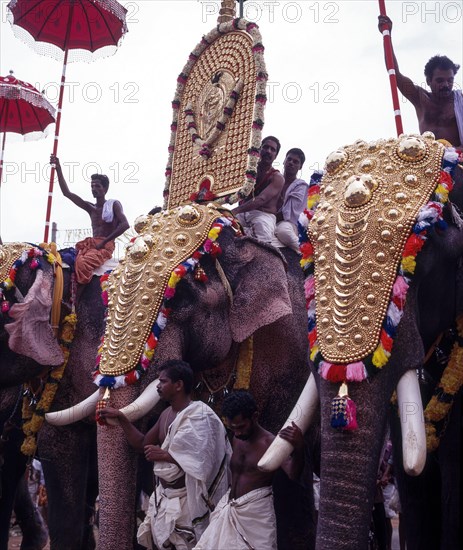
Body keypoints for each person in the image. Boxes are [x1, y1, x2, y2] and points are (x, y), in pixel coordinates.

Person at [97, 360, 231, 550]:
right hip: (163, 498)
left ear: (178, 385)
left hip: (188, 501)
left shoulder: (200, 415)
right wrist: (121, 418)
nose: (158, 386)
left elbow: (202, 461)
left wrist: (166, 455)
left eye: (163, 381)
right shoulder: (166, 414)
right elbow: (142, 444)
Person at [193, 390, 304, 550]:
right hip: (228, 509)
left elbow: (293, 474)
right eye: (232, 428)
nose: (237, 432)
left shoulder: (271, 444)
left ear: (254, 416)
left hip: (255, 517)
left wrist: (299, 447)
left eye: (241, 427)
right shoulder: (237, 438)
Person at [378, 15, 462, 147]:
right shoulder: (420, 98)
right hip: (427, 162)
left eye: (450, 80)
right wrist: (387, 36)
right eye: (440, 80)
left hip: (459, 161)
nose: (446, 85)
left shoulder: (460, 101)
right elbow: (394, 74)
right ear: (428, 80)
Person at [50, 154, 129, 284]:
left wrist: (104, 242)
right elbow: (67, 193)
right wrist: (58, 169)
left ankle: (80, 294)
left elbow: (125, 225)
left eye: (97, 186)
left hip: (105, 246)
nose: (94, 189)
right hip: (91, 245)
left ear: (105, 188)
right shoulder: (90, 208)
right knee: (67, 260)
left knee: (82, 263)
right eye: (92, 186)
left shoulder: (113, 204)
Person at [232, 136, 285, 243]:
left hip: (263, 215)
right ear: (259, 149)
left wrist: (234, 211)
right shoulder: (247, 171)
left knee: (263, 244)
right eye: (266, 147)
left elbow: (261, 199)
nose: (268, 151)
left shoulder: (277, 177)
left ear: (275, 156)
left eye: (272, 149)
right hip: (242, 213)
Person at [274, 148, 308, 252]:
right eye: (289, 159)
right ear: (284, 161)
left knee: (283, 231)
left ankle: (304, 253)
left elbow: (287, 214)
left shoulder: (301, 186)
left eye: (295, 162)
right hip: (267, 216)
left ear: (300, 166)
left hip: (288, 223)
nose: (291, 163)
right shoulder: (274, 178)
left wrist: (269, 217)